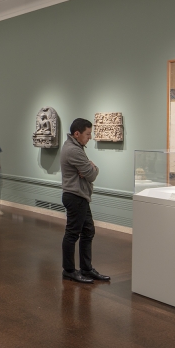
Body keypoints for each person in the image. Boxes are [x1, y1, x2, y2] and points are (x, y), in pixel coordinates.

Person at [60, 118, 110, 284]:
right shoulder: (73, 150)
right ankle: (69, 270)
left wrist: (90, 168)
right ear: (77, 133)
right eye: (88, 134)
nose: (90, 137)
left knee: (88, 231)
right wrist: (93, 167)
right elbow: (91, 174)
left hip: (80, 196)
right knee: (72, 233)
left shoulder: (75, 147)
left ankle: (86, 268)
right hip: (75, 196)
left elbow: (88, 172)